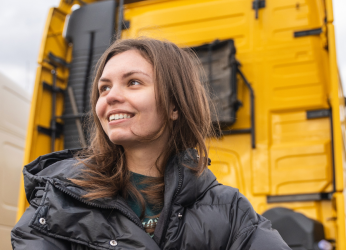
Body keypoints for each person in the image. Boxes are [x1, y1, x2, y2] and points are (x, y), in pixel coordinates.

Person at [11, 38, 291, 250]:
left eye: (133, 82)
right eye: (104, 88)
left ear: (174, 105)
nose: (110, 97)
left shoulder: (230, 210)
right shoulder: (59, 199)